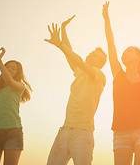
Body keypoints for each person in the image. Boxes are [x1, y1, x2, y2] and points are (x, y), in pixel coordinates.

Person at [102, 1, 140, 165]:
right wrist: (106, 19)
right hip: (120, 132)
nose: (124, 53)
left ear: (138, 57)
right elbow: (111, 44)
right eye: (124, 52)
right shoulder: (118, 75)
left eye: (129, 51)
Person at [45, 16, 107, 165]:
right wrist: (64, 29)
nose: (90, 55)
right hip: (65, 130)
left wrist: (59, 44)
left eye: (95, 56)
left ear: (99, 64)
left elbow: (76, 59)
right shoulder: (80, 71)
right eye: (91, 53)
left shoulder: (98, 75)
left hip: (83, 132)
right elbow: (70, 53)